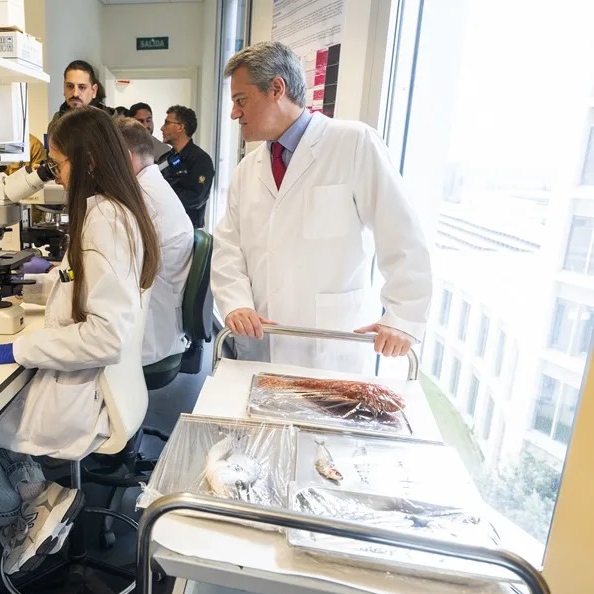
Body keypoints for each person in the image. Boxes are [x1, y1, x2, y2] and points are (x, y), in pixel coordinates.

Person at [0, 107, 160, 575]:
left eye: (57, 163)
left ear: (87, 162)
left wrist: (18, 348)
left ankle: (13, 515)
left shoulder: (102, 221)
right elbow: (83, 283)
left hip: (80, 396)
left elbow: (104, 336)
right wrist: (42, 282)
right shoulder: (116, 210)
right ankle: (37, 496)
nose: (53, 175)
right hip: (100, 386)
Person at [212, 41, 432, 372]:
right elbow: (228, 246)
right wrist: (236, 303)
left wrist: (403, 317)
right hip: (261, 341)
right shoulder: (248, 169)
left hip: (330, 344)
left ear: (276, 89)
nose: (234, 113)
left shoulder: (354, 143)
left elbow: (401, 234)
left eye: (241, 100)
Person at [116, 117, 193, 366]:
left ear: (124, 157)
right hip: (160, 322)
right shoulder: (153, 186)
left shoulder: (142, 200)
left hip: (148, 339)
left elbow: (112, 272)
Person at [158, 105, 215, 228]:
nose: (162, 128)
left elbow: (196, 199)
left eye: (167, 123)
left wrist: (163, 197)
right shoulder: (165, 158)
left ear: (180, 127)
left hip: (186, 229)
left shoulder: (200, 160)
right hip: (163, 226)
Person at [47, 60, 114, 135]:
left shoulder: (111, 124)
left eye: (82, 87)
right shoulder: (56, 123)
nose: (75, 94)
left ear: (94, 91)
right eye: (70, 86)